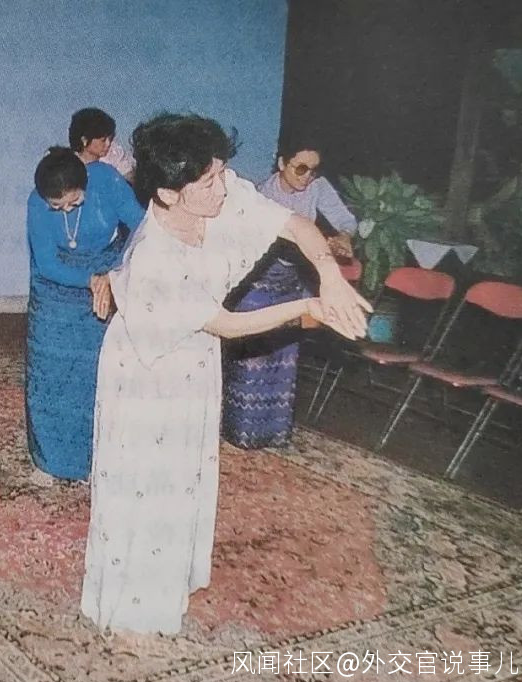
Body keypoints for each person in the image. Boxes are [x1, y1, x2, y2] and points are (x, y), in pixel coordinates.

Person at [81, 113, 369, 635]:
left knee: (185, 472)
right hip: (148, 371)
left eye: (219, 173)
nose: (223, 187)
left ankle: (171, 576)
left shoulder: (216, 189)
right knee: (148, 481)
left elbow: (295, 225)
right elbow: (226, 324)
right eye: (209, 181)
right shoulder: (154, 258)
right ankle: (133, 605)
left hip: (194, 359)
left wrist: (329, 275)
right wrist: (308, 306)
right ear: (168, 193)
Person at [222, 141, 358, 449]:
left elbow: (346, 220)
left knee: (285, 357)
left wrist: (343, 237)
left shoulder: (317, 187)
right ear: (283, 163)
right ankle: (242, 433)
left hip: (293, 280)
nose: (308, 177)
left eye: (313, 170)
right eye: (301, 169)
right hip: (258, 280)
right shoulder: (262, 195)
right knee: (253, 356)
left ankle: (274, 432)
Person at [26, 147, 143, 481]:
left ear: (85, 185)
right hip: (56, 285)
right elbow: (46, 263)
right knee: (50, 373)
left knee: (95, 372)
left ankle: (93, 459)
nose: (66, 210)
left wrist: (116, 273)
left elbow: (143, 228)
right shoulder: (36, 203)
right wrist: (89, 280)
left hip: (106, 271)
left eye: (74, 202)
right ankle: (49, 461)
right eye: (57, 206)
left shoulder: (107, 181)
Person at [69, 107, 136, 183]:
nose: (108, 144)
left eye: (110, 139)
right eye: (103, 140)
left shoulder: (115, 154)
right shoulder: (71, 165)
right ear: (84, 140)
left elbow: (129, 179)